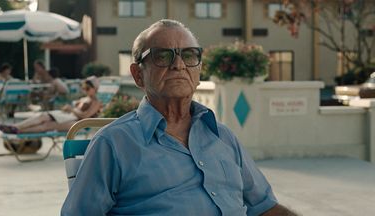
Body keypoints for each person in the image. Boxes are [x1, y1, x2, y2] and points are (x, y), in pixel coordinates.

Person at [61, 19, 297, 216]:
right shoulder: (113, 144)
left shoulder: (223, 137)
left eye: (189, 55)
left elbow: (265, 207)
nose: (178, 65)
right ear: (138, 74)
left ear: (199, 71)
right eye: (162, 56)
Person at [0, 76, 101, 134]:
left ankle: (17, 130)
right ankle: (15, 127)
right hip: (70, 118)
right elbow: (76, 111)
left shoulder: (96, 102)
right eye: (84, 88)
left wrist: (72, 109)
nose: (85, 90)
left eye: (88, 88)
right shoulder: (84, 98)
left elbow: (85, 117)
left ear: (95, 89)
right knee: (43, 116)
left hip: (80, 125)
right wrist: (69, 109)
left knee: (47, 125)